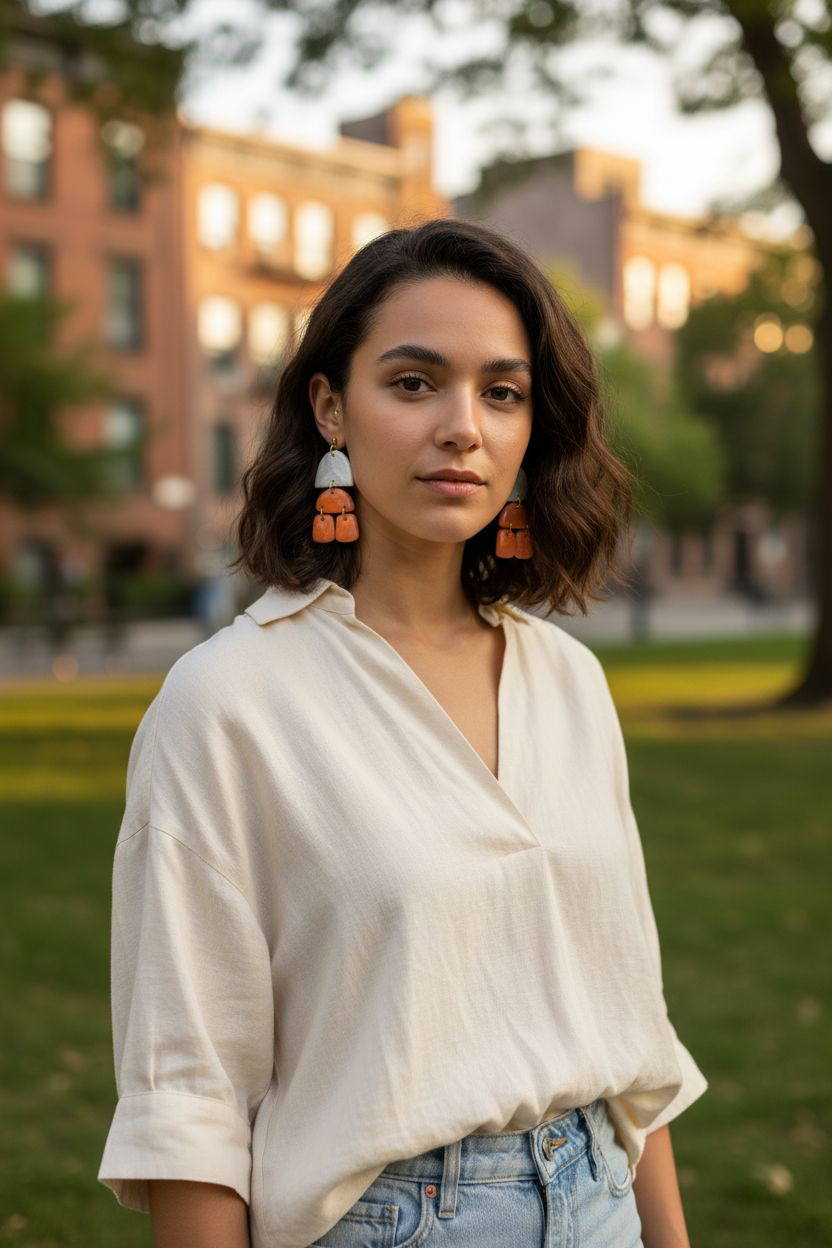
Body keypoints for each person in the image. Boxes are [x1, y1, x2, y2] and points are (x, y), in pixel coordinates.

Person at [97, 218, 707, 1248]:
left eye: (501, 392)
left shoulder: (569, 681)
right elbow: (189, 1097)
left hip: (603, 1194)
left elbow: (630, 1029)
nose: (462, 427)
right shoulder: (228, 702)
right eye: (414, 382)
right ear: (330, 405)